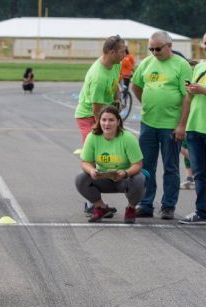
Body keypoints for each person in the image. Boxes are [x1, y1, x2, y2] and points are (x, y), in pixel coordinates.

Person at [131, 31, 192, 219]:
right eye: (151, 49)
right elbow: (135, 85)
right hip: (148, 123)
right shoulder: (147, 63)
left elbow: (187, 96)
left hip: (170, 125)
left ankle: (168, 205)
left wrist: (181, 125)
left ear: (170, 46)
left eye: (158, 48)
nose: (154, 52)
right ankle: (146, 203)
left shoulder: (181, 65)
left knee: (170, 166)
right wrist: (147, 103)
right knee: (146, 166)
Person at [75, 35, 126, 216]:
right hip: (90, 115)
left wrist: (117, 99)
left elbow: (116, 84)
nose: (125, 54)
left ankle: (95, 202)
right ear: (111, 52)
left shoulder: (116, 63)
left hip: (106, 111)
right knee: (93, 155)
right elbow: (97, 109)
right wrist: (103, 131)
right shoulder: (98, 76)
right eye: (122, 51)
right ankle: (93, 204)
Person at [76, 106, 145, 223]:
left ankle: (131, 208)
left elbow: (138, 165)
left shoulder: (128, 138)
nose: (107, 123)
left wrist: (125, 173)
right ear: (99, 121)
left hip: (123, 178)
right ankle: (100, 207)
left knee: (139, 179)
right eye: (104, 120)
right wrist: (92, 171)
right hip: (103, 178)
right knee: (81, 178)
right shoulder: (92, 137)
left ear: (118, 122)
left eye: (111, 120)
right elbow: (85, 162)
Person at [177, 32, 206, 224]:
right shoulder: (200, 67)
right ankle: (202, 212)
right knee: (200, 172)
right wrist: (182, 124)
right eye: (205, 43)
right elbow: (188, 97)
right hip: (195, 127)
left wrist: (203, 90)